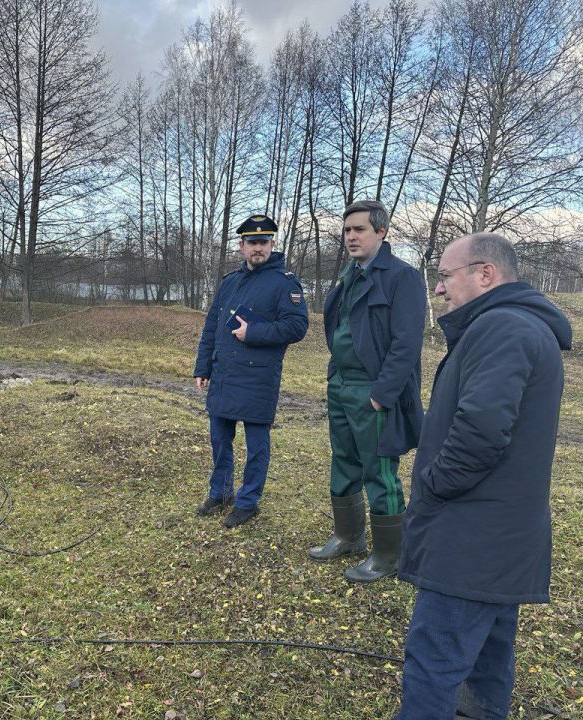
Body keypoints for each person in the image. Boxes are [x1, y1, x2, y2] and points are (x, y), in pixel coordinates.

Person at [397, 233, 571, 719]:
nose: (438, 289)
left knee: (434, 662)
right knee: (487, 660)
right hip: (500, 538)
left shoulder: (502, 328)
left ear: (485, 274)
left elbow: (481, 431)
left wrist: (433, 484)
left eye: (445, 276)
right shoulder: (517, 325)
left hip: (472, 540)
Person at [309, 200, 426, 582]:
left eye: (359, 229)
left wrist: (382, 394)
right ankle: (348, 536)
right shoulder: (349, 275)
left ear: (382, 231)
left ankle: (389, 556)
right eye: (347, 230)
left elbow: (407, 344)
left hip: (372, 390)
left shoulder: (402, 277)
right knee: (343, 460)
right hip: (341, 384)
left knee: (379, 470)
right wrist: (334, 376)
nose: (351, 236)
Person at [193, 214, 308, 528]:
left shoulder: (285, 283)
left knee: (256, 445)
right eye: (252, 242)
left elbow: (297, 326)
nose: (258, 248)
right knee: (219, 439)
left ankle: (248, 502)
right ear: (241, 246)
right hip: (224, 374)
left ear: (272, 244)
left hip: (258, 377)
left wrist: (253, 332)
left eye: (264, 242)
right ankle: (221, 493)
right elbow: (212, 326)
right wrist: (203, 366)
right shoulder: (229, 282)